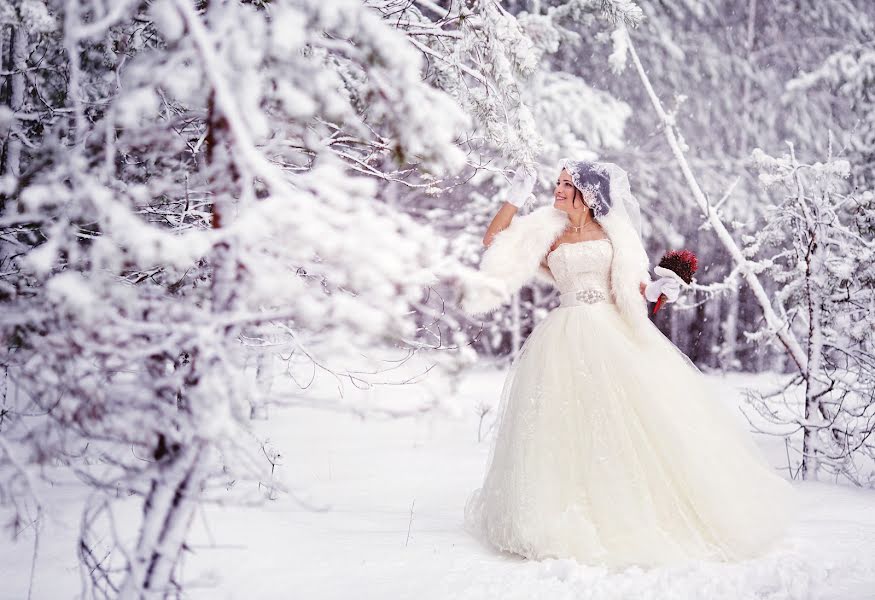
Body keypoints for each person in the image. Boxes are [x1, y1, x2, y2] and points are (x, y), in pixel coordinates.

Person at [461, 160, 795, 569]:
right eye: (557, 183)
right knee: (561, 425)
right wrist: (514, 197)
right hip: (562, 336)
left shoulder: (614, 232)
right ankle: (561, 511)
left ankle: (630, 507)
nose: (558, 190)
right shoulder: (546, 231)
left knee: (625, 421)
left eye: (567, 184)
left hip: (610, 332)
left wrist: (660, 288)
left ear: (588, 193)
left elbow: (633, 288)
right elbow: (495, 240)